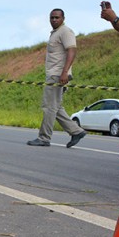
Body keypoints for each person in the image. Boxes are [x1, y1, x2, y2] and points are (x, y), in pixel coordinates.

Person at [27, 9, 87, 148]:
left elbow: (72, 51)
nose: (54, 20)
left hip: (58, 75)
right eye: (52, 18)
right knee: (56, 107)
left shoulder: (65, 32)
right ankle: (76, 131)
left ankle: (44, 138)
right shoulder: (55, 34)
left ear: (63, 18)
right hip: (55, 74)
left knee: (48, 107)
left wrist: (64, 72)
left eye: (57, 17)